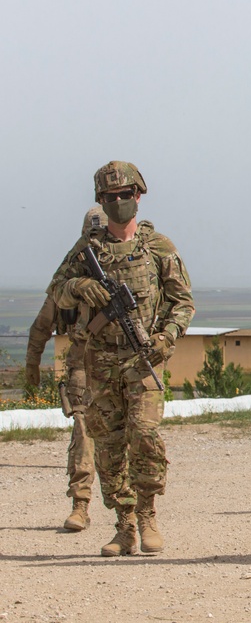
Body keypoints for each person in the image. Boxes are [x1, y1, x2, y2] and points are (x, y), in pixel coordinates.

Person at [50, 161, 194, 556]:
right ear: (100, 201)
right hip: (100, 363)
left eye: (125, 195)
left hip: (142, 360)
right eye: (110, 198)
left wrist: (166, 338)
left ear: (139, 196)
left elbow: (183, 303)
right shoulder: (86, 251)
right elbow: (56, 292)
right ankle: (124, 525)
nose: (118, 203)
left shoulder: (158, 247)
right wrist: (80, 285)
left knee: (144, 435)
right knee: (109, 446)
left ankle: (148, 515)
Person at [26, 207, 106, 531]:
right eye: (92, 238)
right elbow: (43, 322)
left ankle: (134, 515)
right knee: (84, 434)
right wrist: (32, 364)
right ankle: (81, 504)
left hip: (119, 366)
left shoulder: (125, 265)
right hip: (83, 364)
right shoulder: (69, 275)